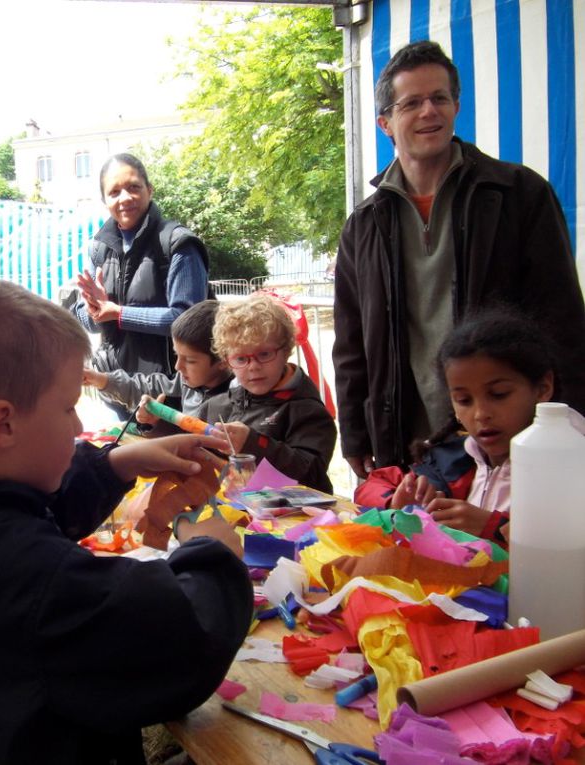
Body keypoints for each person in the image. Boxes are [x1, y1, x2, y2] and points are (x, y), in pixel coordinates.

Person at [0, 277, 253, 765]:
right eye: (66, 408)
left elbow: (23, 515)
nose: (76, 427)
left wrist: (116, 464)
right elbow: (186, 639)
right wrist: (212, 553)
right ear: (3, 424)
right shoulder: (42, 582)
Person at [332, 40, 585, 479]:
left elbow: (561, 319)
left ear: (455, 107)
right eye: (412, 103)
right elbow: (351, 342)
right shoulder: (364, 224)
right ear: (385, 123)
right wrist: (356, 433)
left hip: (507, 434)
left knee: (508, 544)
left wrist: (569, 425)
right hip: (409, 438)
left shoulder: (518, 194)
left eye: (440, 98)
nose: (429, 111)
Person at [357, 307, 565, 544]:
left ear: (543, 388)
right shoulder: (454, 462)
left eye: (499, 394)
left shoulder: (568, 468)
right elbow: (372, 485)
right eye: (464, 400)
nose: (481, 414)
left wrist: (496, 528)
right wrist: (395, 502)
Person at [71, 153, 210, 399]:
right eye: (114, 192)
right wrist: (95, 311)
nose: (125, 198)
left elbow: (188, 323)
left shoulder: (178, 244)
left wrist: (119, 313)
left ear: (149, 190)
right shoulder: (98, 248)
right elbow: (85, 317)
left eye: (133, 187)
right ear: (104, 200)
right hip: (113, 388)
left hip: (170, 394)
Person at [200, 293, 337, 494]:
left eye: (264, 354)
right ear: (226, 360)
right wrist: (155, 424)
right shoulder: (217, 405)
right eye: (240, 359)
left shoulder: (306, 410)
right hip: (237, 512)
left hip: (294, 518)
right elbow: (191, 442)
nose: (253, 367)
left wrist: (253, 443)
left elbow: (312, 473)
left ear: (286, 350)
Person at [82, 299, 233, 436]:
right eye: (177, 355)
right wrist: (100, 379)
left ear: (223, 360)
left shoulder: (237, 400)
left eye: (190, 361)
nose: (177, 366)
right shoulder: (185, 381)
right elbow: (144, 386)